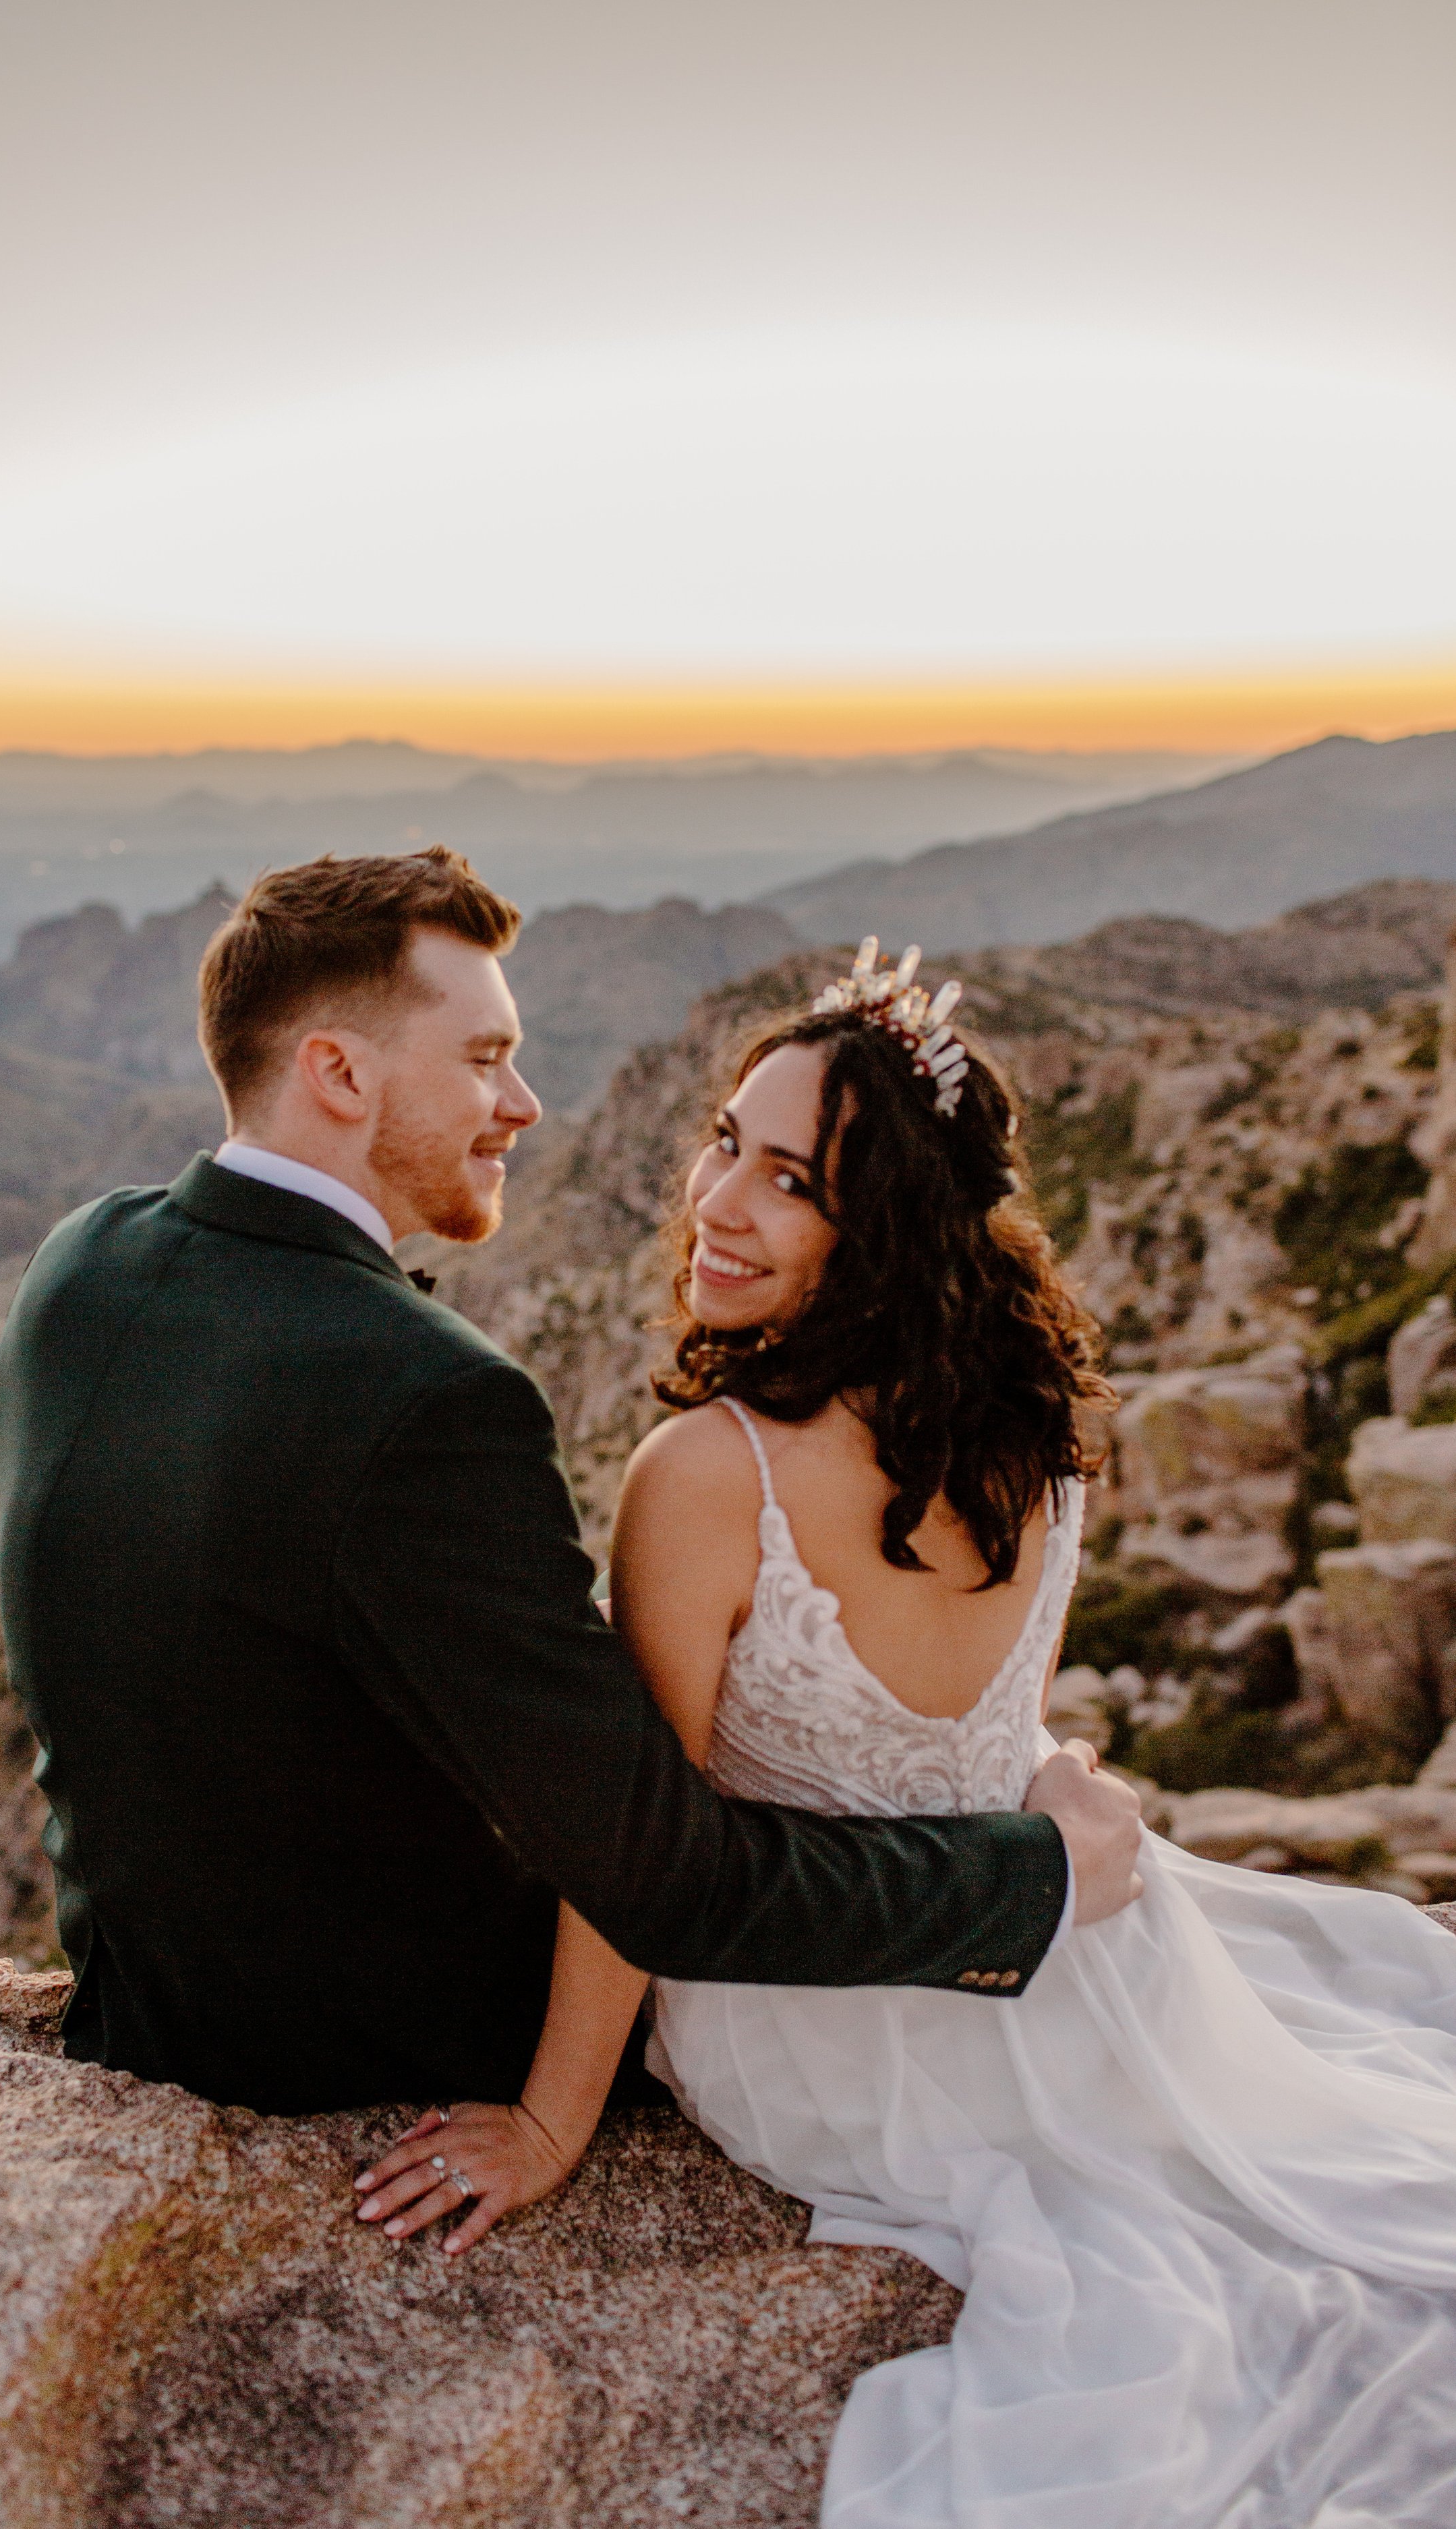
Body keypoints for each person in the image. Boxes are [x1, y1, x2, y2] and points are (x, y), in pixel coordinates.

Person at [359, 939, 1456, 2529]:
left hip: (823, 2034)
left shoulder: (706, 1475)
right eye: (723, 1140)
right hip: (1076, 1947)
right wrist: (1050, 1798)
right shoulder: (1036, 1426)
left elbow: (635, 1838)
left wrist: (549, 2121)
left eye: (788, 1179)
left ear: (876, 1230)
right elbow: (974, 1726)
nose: (716, 1200)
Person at [0, 854, 1140, 2120]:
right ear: (339, 1072)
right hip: (377, 2054)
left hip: (139, 2005)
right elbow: (664, 1877)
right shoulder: (428, 1397)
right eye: (485, 1057)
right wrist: (1035, 1878)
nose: (526, 1102)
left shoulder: (80, 1262)